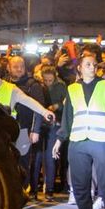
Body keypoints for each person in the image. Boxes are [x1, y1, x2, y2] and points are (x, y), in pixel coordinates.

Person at [52, 45, 105, 209]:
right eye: (88, 65)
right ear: (80, 69)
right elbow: (67, 118)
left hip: (102, 141)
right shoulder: (72, 89)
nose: (92, 68)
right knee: (80, 185)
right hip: (78, 141)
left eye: (94, 65)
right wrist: (59, 139)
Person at [6, 56, 50, 199]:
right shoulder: (5, 85)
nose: (19, 69)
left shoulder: (33, 85)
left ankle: (24, 193)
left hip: (25, 130)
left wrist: (35, 130)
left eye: (22, 66)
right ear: (8, 68)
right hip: (8, 131)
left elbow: (39, 108)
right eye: (15, 66)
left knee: (23, 163)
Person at [41, 66, 67, 200]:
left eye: (50, 80)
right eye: (45, 80)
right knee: (41, 157)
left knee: (50, 156)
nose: (48, 83)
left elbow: (66, 102)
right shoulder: (39, 86)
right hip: (43, 123)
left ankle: (49, 189)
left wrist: (57, 106)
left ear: (55, 77)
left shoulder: (61, 86)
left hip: (56, 123)